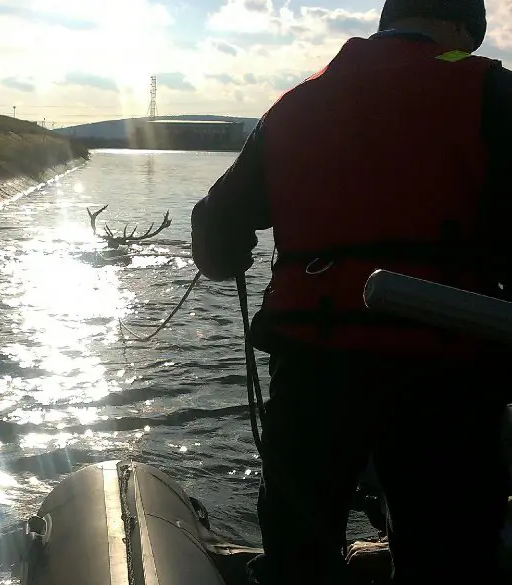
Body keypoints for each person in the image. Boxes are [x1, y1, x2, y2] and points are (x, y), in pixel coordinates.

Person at [190, 0, 512, 583]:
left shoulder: (294, 104)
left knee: (298, 551)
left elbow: (215, 234)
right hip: (449, 370)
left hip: (315, 366)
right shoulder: (494, 92)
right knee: (450, 553)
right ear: (463, 29)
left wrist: (233, 252)